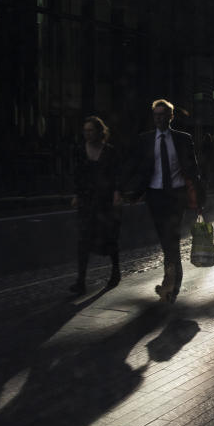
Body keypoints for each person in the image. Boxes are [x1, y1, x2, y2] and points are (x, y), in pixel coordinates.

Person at [121, 99, 205, 304]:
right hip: (155, 196)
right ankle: (171, 281)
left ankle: (172, 285)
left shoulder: (183, 139)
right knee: (166, 240)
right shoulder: (146, 140)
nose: (158, 118)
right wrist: (125, 189)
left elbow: (194, 171)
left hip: (176, 195)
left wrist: (199, 198)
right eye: (155, 115)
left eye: (162, 115)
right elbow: (139, 168)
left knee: (172, 240)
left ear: (170, 117)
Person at [68, 115, 122, 295]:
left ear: (99, 131)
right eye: (85, 130)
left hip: (105, 200)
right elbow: (77, 174)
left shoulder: (110, 151)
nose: (87, 134)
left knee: (109, 237)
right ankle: (80, 281)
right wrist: (76, 194)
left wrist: (116, 193)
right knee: (83, 239)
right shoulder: (79, 150)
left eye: (91, 130)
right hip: (86, 199)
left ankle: (116, 270)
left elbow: (116, 174)